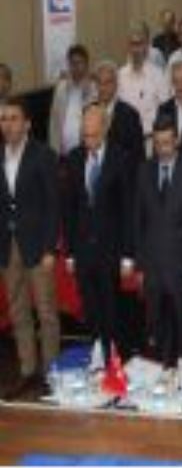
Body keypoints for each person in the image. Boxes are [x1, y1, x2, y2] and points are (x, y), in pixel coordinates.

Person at [63, 104, 133, 360]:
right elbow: (69, 208)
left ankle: (115, 356)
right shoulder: (74, 158)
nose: (88, 141)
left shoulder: (121, 158)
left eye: (93, 135)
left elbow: (128, 210)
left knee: (111, 307)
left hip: (110, 250)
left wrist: (128, 255)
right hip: (83, 250)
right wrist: (70, 252)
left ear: (105, 129)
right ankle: (97, 352)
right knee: (91, 307)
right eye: (85, 135)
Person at [0, 98, 60, 400]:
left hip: (37, 245)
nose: (7, 124)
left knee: (46, 312)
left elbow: (53, 205)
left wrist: (50, 247)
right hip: (7, 246)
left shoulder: (43, 155)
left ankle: (50, 373)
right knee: (18, 310)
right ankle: (27, 370)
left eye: (13, 118)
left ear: (27, 124)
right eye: (3, 119)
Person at [134, 114, 182, 369]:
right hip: (153, 270)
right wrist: (140, 266)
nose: (162, 149)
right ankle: (160, 377)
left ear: (177, 140)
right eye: (158, 143)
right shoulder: (144, 171)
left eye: (167, 143)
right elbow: (138, 222)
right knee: (156, 332)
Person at [118, 22, 170, 145]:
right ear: (128, 46)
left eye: (139, 44)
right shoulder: (119, 75)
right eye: (133, 44)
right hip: (126, 142)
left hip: (150, 141)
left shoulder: (158, 75)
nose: (136, 49)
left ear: (146, 46)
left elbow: (166, 110)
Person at [48, 44, 96, 157]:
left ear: (87, 65)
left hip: (86, 151)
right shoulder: (61, 88)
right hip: (63, 152)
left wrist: (87, 91)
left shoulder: (94, 89)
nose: (76, 67)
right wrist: (53, 150)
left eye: (80, 63)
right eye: (72, 63)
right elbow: (54, 122)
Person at [94, 61, 146, 165]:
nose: (103, 88)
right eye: (100, 82)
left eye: (108, 82)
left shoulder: (130, 115)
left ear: (116, 85)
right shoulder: (88, 111)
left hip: (121, 172)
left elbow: (138, 155)